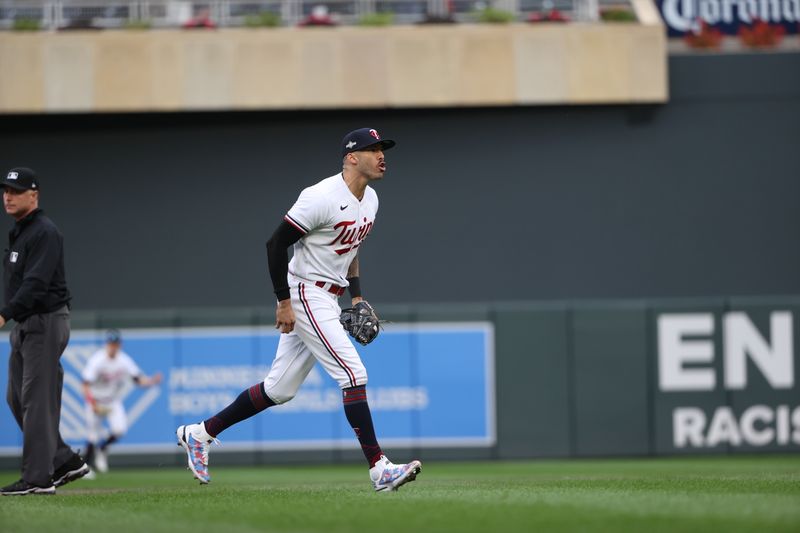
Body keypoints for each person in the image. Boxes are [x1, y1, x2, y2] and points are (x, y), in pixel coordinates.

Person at [177, 128, 422, 492]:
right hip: (305, 291)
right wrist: (283, 301)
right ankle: (379, 468)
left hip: (330, 294)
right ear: (351, 157)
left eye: (383, 148)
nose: (382, 155)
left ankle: (200, 433)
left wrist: (356, 297)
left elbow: (350, 249)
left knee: (280, 389)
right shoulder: (320, 196)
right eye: (374, 149)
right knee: (353, 374)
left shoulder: (370, 200)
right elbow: (275, 244)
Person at [0, 167, 88, 496]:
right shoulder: (21, 231)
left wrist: (4, 313)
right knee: (18, 397)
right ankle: (63, 459)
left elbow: (36, 285)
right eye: (5, 190)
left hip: (45, 321)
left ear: (33, 195)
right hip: (28, 323)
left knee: (36, 402)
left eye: (15, 190)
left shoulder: (44, 231)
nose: (8, 195)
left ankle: (38, 478)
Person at [81, 329, 162, 474]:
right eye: (111, 343)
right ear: (107, 344)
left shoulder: (123, 360)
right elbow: (85, 384)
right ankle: (85, 468)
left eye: (116, 343)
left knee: (119, 430)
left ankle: (102, 448)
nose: (113, 346)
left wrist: (151, 381)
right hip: (96, 400)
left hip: (112, 401)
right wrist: (92, 403)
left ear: (120, 345)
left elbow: (137, 379)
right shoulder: (97, 360)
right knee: (92, 435)